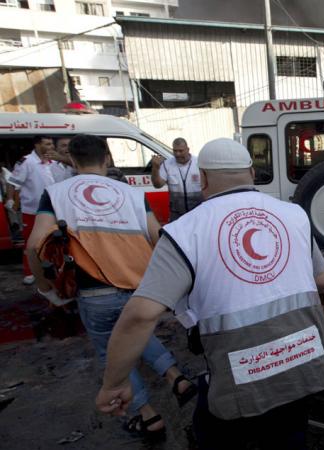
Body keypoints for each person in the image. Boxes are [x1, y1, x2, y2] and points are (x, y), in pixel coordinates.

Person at [95, 138, 324, 450]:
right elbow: (323, 277)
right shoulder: (294, 214)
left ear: (202, 178)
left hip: (240, 379)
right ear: (251, 172)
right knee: (289, 437)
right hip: (304, 364)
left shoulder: (185, 231)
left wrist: (115, 382)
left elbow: (141, 314)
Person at [25, 134, 196, 442]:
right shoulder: (130, 193)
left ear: (74, 162)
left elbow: (34, 245)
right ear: (107, 159)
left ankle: (149, 416)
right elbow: (159, 239)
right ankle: (177, 378)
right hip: (140, 289)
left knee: (113, 353)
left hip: (95, 294)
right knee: (136, 334)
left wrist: (46, 288)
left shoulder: (56, 193)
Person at [9, 136, 58, 284]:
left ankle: (52, 268)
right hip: (32, 211)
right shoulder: (27, 162)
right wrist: (10, 199)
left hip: (53, 210)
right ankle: (30, 272)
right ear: (37, 145)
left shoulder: (54, 162)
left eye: (51, 144)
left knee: (53, 241)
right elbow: (12, 182)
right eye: (47, 144)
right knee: (31, 242)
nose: (51, 147)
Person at [151, 137, 202, 221]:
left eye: (181, 151)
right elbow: (157, 185)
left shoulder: (199, 163)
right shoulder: (167, 164)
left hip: (197, 213)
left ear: (188, 149)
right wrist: (155, 168)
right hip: (176, 215)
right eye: (175, 151)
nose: (177, 154)